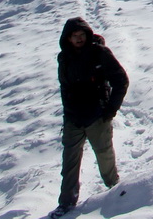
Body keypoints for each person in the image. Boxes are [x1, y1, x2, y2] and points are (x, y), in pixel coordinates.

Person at [50, 17, 129, 219]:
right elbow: (64, 87)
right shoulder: (64, 58)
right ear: (67, 38)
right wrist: (68, 113)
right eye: (74, 36)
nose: (78, 39)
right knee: (69, 161)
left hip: (97, 116)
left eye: (81, 35)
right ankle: (66, 202)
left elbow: (121, 80)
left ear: (88, 35)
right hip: (73, 118)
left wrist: (110, 110)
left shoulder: (99, 53)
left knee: (104, 155)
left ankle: (114, 190)